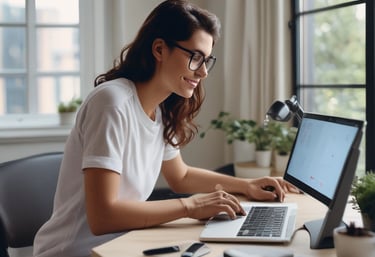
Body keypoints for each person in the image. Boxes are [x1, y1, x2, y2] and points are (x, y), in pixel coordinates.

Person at [33, 1, 298, 257]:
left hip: (122, 243)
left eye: (207, 60)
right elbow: (103, 217)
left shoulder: (161, 110)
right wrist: (190, 206)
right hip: (74, 251)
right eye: (195, 57)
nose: (203, 72)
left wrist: (246, 185)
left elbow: (180, 176)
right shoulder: (111, 103)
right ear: (159, 49)